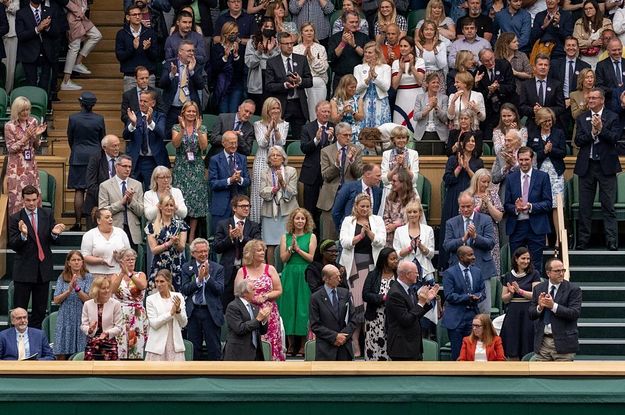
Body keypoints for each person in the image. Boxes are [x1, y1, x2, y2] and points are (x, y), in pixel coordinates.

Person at [8, 185, 65, 329]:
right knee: (19, 310)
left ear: (38, 198)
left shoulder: (47, 214)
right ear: (23, 200)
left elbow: (53, 241)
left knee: (40, 311)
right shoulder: (16, 218)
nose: (31, 203)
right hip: (24, 271)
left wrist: (55, 234)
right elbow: (13, 245)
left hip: (43, 270)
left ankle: (35, 340)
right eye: (28, 200)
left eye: (34, 200)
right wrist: (23, 235)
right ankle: (18, 341)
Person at [339, 193, 386, 357]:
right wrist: (359, 236)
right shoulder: (348, 221)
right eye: (362, 206)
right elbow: (343, 242)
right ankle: (355, 340)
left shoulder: (377, 221)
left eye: (367, 206)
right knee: (357, 303)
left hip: (372, 265)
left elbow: (382, 241)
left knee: (369, 304)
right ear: (356, 206)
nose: (365, 209)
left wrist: (370, 234)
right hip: (354, 266)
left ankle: (370, 342)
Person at [573, 88, 621, 250]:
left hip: (606, 167)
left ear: (602, 100)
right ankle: (583, 241)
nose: (591, 100)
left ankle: (612, 241)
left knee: (608, 206)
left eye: (594, 98)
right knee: (584, 207)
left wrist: (601, 129)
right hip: (587, 167)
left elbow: (615, 138)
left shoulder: (612, 117)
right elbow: (578, 141)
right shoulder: (582, 118)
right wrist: (593, 133)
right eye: (589, 98)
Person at [443, 191, 497, 314]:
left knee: (483, 311)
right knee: (460, 309)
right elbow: (447, 246)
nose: (466, 209)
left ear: (474, 205)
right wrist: (463, 239)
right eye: (463, 206)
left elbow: (490, 243)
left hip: (481, 269)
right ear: (459, 206)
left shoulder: (486, 219)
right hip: (458, 271)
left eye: (468, 206)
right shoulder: (451, 222)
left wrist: (475, 237)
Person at [504, 146, 553, 271]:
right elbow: (506, 204)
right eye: (521, 160)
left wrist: (530, 206)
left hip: (536, 226)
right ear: (517, 159)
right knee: (516, 265)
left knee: (535, 264)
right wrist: (515, 208)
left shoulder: (543, 177)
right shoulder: (511, 178)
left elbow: (548, 203)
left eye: (526, 159)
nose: (523, 163)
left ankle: (535, 290)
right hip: (517, 226)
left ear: (532, 159)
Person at [234, 240, 285, 361]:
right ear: (250, 253)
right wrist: (252, 298)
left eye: (263, 250)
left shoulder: (270, 269)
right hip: (249, 313)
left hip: (269, 313)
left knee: (271, 343)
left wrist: (266, 296)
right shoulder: (242, 271)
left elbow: (279, 290)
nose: (263, 253)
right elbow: (237, 293)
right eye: (259, 250)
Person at [440, 133, 484, 269]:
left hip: (470, 197)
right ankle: (448, 264)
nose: (471, 143)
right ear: (462, 143)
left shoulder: (478, 162)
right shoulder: (452, 159)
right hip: (454, 197)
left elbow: (479, 181)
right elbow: (447, 180)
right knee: (453, 229)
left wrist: (467, 168)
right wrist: (459, 167)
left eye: (473, 141)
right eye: (469, 141)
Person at [277, 208, 317, 356]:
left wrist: (298, 250)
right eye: (297, 218)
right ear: (292, 221)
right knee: (288, 307)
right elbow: (283, 259)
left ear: (306, 221)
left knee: (303, 307)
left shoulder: (311, 236)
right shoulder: (284, 237)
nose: (300, 221)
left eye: (302, 219)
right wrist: (290, 249)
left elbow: (311, 258)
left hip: (305, 274)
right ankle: (290, 344)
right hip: (289, 274)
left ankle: (302, 345)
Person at [529, 257, 582, 361]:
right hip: (543, 344)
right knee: (539, 375)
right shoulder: (538, 288)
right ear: (548, 273)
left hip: (564, 345)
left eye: (563, 270)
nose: (561, 273)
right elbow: (531, 314)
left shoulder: (573, 289)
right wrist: (540, 307)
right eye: (557, 271)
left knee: (562, 377)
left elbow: (574, 313)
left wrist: (553, 306)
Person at [214, 195, 262, 308]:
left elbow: (258, 245)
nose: (246, 208)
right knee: (226, 306)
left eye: (248, 206)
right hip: (228, 272)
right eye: (243, 206)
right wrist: (229, 238)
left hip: (248, 271)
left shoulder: (253, 226)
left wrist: (242, 237)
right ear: (234, 208)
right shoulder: (223, 224)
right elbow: (216, 247)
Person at [180, 238, 224, 361]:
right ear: (193, 253)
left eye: (205, 251)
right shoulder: (186, 267)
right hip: (193, 312)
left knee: (214, 347)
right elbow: (185, 289)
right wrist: (198, 280)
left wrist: (208, 277)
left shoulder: (217, 268)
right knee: (194, 347)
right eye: (200, 252)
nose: (203, 254)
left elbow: (220, 290)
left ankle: (215, 376)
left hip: (211, 312)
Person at [67, 92, 106, 231]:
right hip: (95, 156)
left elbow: (70, 138)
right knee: (94, 189)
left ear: (81, 103)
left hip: (78, 156)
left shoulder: (73, 118)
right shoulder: (99, 119)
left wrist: (77, 149)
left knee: (79, 189)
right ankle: (95, 224)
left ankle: (77, 223)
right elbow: (103, 139)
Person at [385, 261, 439, 361]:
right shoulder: (395, 293)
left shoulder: (409, 289)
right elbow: (406, 320)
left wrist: (427, 301)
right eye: (416, 273)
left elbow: (415, 314)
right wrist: (421, 303)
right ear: (408, 274)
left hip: (413, 347)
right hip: (402, 349)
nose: (418, 276)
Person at [318, 122, 363, 240]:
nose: (348, 138)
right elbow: (325, 176)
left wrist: (352, 161)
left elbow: (358, 174)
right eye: (345, 135)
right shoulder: (326, 151)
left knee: (348, 235)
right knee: (329, 238)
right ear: (337, 135)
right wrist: (337, 164)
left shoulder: (356, 150)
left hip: (350, 197)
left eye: (350, 135)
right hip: (331, 197)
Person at [265, 31, 312, 142]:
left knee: (299, 140)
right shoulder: (272, 62)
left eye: (291, 43)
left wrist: (299, 80)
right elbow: (269, 86)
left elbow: (309, 81)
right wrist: (285, 85)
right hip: (281, 105)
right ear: (279, 44)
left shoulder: (301, 59)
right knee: (279, 139)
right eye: (286, 44)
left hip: (298, 104)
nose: (290, 46)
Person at [529, 108, 567, 245]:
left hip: (555, 173)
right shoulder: (533, 134)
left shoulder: (558, 133)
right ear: (539, 121)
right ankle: (543, 238)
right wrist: (544, 151)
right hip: (539, 173)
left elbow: (563, 153)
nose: (548, 123)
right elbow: (531, 156)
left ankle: (559, 238)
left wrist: (552, 150)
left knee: (557, 205)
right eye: (545, 121)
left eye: (550, 120)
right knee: (541, 205)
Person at [441, 246, 486, 361]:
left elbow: (482, 292)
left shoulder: (477, 272)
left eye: (473, 254)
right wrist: (467, 297)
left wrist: (478, 297)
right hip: (456, 318)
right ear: (461, 257)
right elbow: (449, 295)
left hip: (472, 316)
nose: (474, 257)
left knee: (473, 353)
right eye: (470, 255)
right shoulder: (449, 273)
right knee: (458, 354)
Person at [171, 100, 208, 241]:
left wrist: (198, 130)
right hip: (182, 167)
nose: (191, 113)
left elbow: (204, 147)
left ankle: (191, 237)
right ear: (183, 113)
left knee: (195, 202)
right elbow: (176, 143)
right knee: (181, 200)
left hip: (196, 167)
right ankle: (180, 235)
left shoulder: (202, 128)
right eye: (189, 111)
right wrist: (182, 129)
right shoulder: (176, 127)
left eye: (194, 111)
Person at [5, 96, 46, 215]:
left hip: (30, 165)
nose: (26, 113)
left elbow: (36, 146)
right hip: (16, 167)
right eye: (23, 110)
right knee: (17, 199)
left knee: (32, 196)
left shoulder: (33, 122)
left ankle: (34, 226)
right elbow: (11, 148)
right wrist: (25, 138)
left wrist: (37, 135)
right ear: (16, 111)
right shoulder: (9, 126)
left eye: (27, 109)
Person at [309, 264, 359, 361]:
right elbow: (315, 325)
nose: (340, 279)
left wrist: (343, 336)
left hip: (344, 348)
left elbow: (353, 319)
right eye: (336, 277)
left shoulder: (345, 294)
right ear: (326, 279)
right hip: (325, 350)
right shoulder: (316, 298)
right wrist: (334, 337)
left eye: (340, 276)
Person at [251, 98, 289, 223]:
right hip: (262, 160)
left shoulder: (284, 124)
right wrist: (269, 129)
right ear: (267, 110)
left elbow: (281, 142)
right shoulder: (258, 124)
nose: (276, 111)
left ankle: (275, 224)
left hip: (278, 161)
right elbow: (262, 143)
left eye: (278, 108)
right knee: (261, 192)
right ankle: (258, 224)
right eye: (273, 108)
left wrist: (276, 128)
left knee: (277, 189)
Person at [500, 247, 541, 359]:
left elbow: (535, 295)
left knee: (527, 340)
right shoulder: (508, 275)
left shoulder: (534, 274)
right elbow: (504, 298)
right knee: (512, 341)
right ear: (516, 259)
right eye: (523, 258)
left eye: (528, 259)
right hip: (513, 312)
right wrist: (511, 293)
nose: (526, 261)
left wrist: (520, 291)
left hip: (528, 311)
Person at [260, 146, 299, 265]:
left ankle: (286, 269)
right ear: (269, 159)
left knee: (287, 242)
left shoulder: (291, 171)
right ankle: (271, 271)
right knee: (270, 244)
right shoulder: (264, 172)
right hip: (270, 212)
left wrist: (282, 182)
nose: (275, 157)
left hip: (287, 211)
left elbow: (293, 192)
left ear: (283, 158)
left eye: (278, 155)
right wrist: (273, 189)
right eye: (273, 155)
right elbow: (261, 191)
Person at [124, 90, 170, 191]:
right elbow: (125, 135)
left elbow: (162, 134)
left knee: (152, 191)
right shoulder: (133, 115)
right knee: (133, 191)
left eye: (145, 101)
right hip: (136, 160)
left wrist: (150, 122)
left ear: (152, 103)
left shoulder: (160, 116)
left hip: (153, 160)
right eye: (140, 101)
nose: (142, 103)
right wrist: (132, 124)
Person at [300, 101, 335, 230]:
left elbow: (338, 149)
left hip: (329, 173)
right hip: (312, 174)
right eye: (324, 111)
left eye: (328, 112)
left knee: (327, 209)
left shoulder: (334, 127)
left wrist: (331, 140)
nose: (326, 114)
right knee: (310, 209)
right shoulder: (307, 128)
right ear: (317, 112)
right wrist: (316, 140)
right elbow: (304, 148)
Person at [52, 251, 93, 359]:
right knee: (62, 349)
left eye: (78, 260)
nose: (76, 262)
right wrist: (69, 290)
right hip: (65, 315)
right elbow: (56, 300)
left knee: (81, 348)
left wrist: (77, 289)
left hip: (81, 314)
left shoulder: (88, 277)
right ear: (68, 263)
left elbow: (88, 299)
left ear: (82, 262)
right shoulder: (62, 277)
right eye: (73, 260)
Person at [160, 40, 205, 139]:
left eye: (193, 51)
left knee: (191, 137)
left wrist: (192, 71)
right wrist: (171, 74)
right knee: (168, 137)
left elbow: (201, 85)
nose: (191, 53)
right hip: (172, 109)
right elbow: (162, 84)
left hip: (190, 111)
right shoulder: (169, 64)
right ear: (180, 52)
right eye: (188, 51)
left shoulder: (197, 64)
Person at [15, 0, 61, 96]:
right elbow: (21, 35)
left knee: (45, 84)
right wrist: (37, 29)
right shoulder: (21, 13)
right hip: (29, 54)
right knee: (31, 84)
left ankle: (44, 106)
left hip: (46, 54)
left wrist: (47, 27)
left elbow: (57, 33)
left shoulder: (50, 11)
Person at [98, 154, 144, 249]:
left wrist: (131, 201)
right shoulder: (105, 186)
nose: (127, 169)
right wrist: (121, 203)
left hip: (133, 232)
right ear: (116, 166)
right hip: (114, 229)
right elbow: (102, 211)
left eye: (130, 167)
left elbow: (141, 211)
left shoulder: (137, 185)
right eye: (124, 166)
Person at [146, 193, 189, 292]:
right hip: (159, 265)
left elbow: (182, 247)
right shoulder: (152, 226)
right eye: (166, 205)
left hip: (177, 265)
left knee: (177, 296)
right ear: (160, 207)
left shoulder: (181, 225)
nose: (169, 208)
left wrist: (176, 243)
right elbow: (154, 250)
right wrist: (168, 243)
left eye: (171, 205)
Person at [209, 131, 251, 230]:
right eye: (231, 143)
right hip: (221, 207)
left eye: (235, 142)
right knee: (221, 237)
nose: (234, 145)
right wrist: (229, 180)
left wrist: (239, 179)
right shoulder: (215, 160)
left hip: (239, 207)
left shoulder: (242, 158)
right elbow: (212, 183)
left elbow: (248, 181)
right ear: (223, 143)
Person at [110, 248, 148, 360]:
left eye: (133, 259)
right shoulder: (115, 275)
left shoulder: (140, 275)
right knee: (119, 343)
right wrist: (123, 273)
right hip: (120, 313)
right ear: (121, 261)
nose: (131, 262)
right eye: (128, 259)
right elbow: (112, 289)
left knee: (135, 344)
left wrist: (130, 274)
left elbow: (142, 286)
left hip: (137, 314)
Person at [465, 169, 504, 275]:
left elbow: (499, 217)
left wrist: (488, 203)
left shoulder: (493, 194)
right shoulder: (468, 195)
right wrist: (479, 206)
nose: (486, 185)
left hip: (490, 232)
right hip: (473, 231)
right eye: (483, 182)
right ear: (476, 181)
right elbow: (464, 215)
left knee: (491, 260)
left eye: (488, 182)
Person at [362, 247, 398, 361]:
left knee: (390, 346)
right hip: (375, 318)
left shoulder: (398, 275)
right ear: (384, 260)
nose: (396, 261)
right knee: (373, 347)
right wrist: (381, 297)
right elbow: (365, 295)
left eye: (396, 258)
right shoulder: (373, 275)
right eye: (392, 259)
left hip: (393, 318)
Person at [145, 269, 188, 361]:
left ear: (169, 282)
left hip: (175, 344)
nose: (159, 284)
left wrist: (178, 311)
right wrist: (170, 313)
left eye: (162, 281)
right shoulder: (150, 299)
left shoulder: (178, 296)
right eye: (156, 281)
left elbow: (184, 323)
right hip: (157, 346)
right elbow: (154, 324)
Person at [115, 4, 159, 92]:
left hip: (148, 76)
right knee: (131, 104)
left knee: (150, 103)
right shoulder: (122, 34)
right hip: (130, 76)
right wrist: (132, 48)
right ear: (128, 17)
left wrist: (148, 49)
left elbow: (156, 56)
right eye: (134, 15)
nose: (138, 17)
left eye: (139, 14)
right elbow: (120, 56)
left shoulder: (150, 33)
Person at [224, 279, 271, 361]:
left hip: (256, 353)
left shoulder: (255, 308)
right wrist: (258, 319)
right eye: (253, 289)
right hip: (238, 353)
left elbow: (262, 331)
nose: (255, 292)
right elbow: (240, 329)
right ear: (244, 293)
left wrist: (264, 320)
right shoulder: (233, 306)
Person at [475, 48, 516, 140]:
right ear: (481, 61)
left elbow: (512, 87)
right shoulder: (480, 71)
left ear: (494, 55)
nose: (490, 62)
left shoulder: (504, 65)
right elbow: (479, 95)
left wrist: (498, 87)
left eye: (492, 58)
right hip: (489, 111)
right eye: (486, 61)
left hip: (505, 106)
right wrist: (484, 88)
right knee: (488, 137)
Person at [60, 0, 101, 90]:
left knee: (96, 35)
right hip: (74, 18)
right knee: (74, 47)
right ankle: (66, 81)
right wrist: (77, 11)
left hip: (82, 18)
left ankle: (78, 62)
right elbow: (65, 2)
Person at [519, 54, 566, 132]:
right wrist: (533, 110)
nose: (543, 67)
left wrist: (545, 111)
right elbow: (522, 106)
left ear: (549, 68)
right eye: (540, 64)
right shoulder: (526, 85)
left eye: (546, 65)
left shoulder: (556, 84)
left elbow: (561, 107)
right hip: (532, 125)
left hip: (552, 125)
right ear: (534, 67)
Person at [81, 276, 123, 360]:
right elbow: (83, 325)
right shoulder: (87, 304)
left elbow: (119, 327)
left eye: (108, 288)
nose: (107, 290)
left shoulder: (116, 304)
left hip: (109, 343)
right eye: (103, 288)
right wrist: (90, 329)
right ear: (96, 290)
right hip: (92, 343)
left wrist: (107, 333)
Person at [293, 22, 329, 121]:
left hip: (318, 82)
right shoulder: (295, 49)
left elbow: (323, 68)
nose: (309, 33)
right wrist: (303, 59)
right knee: (307, 112)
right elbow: (295, 70)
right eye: (306, 31)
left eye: (311, 30)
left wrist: (312, 58)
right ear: (301, 33)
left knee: (320, 110)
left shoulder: (321, 48)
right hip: (302, 83)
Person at [80, 208, 130, 278]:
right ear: (98, 220)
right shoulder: (89, 235)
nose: (110, 219)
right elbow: (84, 256)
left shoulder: (121, 232)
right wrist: (101, 260)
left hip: (118, 274)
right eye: (107, 217)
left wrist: (119, 257)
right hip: (95, 275)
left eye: (111, 217)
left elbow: (128, 253)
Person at [84, 135, 121, 229]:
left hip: (119, 203)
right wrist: (106, 197)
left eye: (118, 145)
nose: (117, 148)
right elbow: (91, 184)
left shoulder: (123, 159)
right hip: (97, 202)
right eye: (114, 146)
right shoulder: (95, 159)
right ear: (104, 147)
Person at [380, 126, 419, 215]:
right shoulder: (386, 154)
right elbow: (385, 180)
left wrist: (405, 166)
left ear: (407, 139)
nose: (401, 140)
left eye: (403, 138)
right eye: (398, 138)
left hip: (409, 191)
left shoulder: (414, 154)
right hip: (390, 190)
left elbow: (414, 179)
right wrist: (397, 166)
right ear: (393, 140)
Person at [332, 164, 383, 232]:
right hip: (350, 231)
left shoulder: (378, 191)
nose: (380, 179)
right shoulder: (349, 188)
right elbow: (336, 211)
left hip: (370, 232)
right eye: (378, 176)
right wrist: (342, 228)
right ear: (368, 174)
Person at [245, 17, 280, 112]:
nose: (269, 29)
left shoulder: (276, 42)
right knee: (257, 111)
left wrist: (270, 51)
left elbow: (278, 64)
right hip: (257, 80)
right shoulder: (252, 42)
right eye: (266, 26)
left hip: (271, 80)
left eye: (271, 27)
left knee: (269, 110)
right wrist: (258, 53)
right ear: (261, 27)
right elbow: (249, 63)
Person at [393, 200, 436, 279]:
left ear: (420, 213)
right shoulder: (399, 231)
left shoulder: (428, 230)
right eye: (409, 212)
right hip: (405, 272)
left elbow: (431, 255)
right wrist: (410, 248)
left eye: (415, 212)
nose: (412, 214)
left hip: (425, 271)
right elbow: (397, 255)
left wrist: (421, 247)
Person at [354, 41, 392, 131]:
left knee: (381, 130)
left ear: (377, 54)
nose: (367, 54)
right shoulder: (358, 68)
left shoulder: (385, 68)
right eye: (365, 52)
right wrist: (367, 80)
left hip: (380, 102)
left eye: (370, 52)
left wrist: (375, 77)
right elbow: (356, 89)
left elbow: (386, 87)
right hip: (363, 102)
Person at [328, 11, 369, 92]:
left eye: (356, 22)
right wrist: (342, 43)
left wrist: (354, 45)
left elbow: (366, 56)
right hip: (340, 78)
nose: (354, 24)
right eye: (351, 22)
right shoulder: (334, 38)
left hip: (359, 78)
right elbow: (331, 58)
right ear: (343, 23)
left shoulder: (364, 37)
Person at [210, 22, 246, 113]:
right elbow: (214, 69)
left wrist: (236, 56)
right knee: (224, 113)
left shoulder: (240, 48)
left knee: (234, 112)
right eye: (232, 33)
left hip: (235, 85)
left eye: (236, 33)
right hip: (221, 86)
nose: (234, 36)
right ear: (225, 34)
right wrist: (225, 57)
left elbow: (240, 70)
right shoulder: (217, 48)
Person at [391, 36, 425, 132]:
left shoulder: (420, 61)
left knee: (415, 123)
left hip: (416, 95)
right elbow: (394, 85)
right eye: (401, 46)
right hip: (401, 96)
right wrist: (401, 71)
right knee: (401, 125)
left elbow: (420, 81)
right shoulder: (396, 63)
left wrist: (412, 67)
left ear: (411, 48)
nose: (402, 48)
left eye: (405, 46)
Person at [550, 37, 591, 104]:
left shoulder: (585, 66)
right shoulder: (555, 64)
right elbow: (551, 83)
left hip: (578, 103)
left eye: (573, 45)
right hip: (559, 102)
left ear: (578, 48)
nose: (571, 48)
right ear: (564, 48)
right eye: (568, 45)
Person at [413, 73, 449, 152]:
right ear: (427, 84)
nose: (436, 84)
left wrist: (436, 107)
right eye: (433, 82)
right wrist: (429, 108)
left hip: (439, 134)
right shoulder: (420, 97)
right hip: (422, 134)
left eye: (437, 82)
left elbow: (445, 118)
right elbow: (415, 116)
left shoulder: (444, 98)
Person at [382, 168, 418, 246]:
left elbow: (413, 218)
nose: (391, 183)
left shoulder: (413, 199)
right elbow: (385, 217)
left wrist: (396, 226)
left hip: (407, 235)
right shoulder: (389, 198)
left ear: (403, 183)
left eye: (394, 181)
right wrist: (390, 226)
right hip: (391, 235)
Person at [573, 0, 612, 68]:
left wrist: (602, 41)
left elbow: (611, 39)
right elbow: (576, 41)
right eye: (586, 9)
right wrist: (592, 43)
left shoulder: (606, 22)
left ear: (596, 9)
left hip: (602, 55)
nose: (588, 10)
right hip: (585, 57)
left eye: (590, 8)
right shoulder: (579, 23)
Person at [414, 20, 448, 93]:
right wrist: (421, 51)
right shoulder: (418, 45)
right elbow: (418, 65)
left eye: (431, 30)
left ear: (435, 32)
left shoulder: (441, 45)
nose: (429, 32)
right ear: (422, 31)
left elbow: (442, 65)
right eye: (426, 29)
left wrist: (434, 48)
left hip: (438, 76)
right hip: (423, 76)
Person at [330, 74, 364, 144]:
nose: (354, 89)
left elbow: (361, 117)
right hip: (341, 133)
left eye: (355, 87)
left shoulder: (358, 99)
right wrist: (342, 112)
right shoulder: (334, 101)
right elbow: (334, 120)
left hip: (355, 133)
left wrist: (352, 112)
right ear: (344, 87)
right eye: (351, 87)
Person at [570, 68, 596, 138]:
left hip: (595, 130)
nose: (590, 80)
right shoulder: (574, 95)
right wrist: (584, 107)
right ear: (581, 80)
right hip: (580, 131)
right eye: (587, 77)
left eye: (592, 77)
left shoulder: (598, 93)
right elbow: (574, 115)